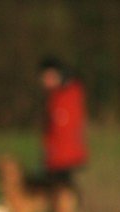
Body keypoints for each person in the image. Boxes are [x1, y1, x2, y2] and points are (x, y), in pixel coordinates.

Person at [38, 56, 88, 188]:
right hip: (56, 158)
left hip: (64, 159)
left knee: (62, 194)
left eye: (47, 76)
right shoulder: (55, 97)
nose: (44, 81)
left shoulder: (67, 96)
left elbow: (64, 128)